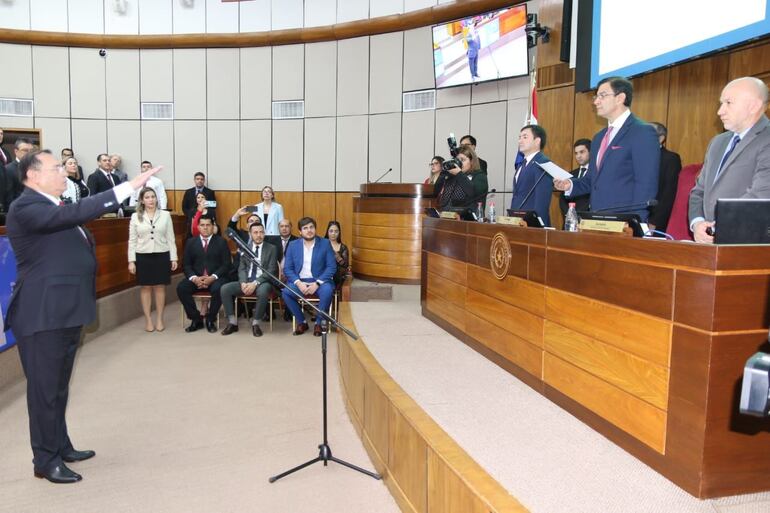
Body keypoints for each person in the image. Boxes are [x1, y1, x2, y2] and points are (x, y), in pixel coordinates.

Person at [5, 150, 159, 484]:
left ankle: (60, 445)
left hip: (64, 311)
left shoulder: (54, 208)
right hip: (42, 313)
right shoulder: (26, 207)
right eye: (56, 167)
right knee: (44, 391)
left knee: (59, 387)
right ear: (32, 175)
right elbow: (81, 211)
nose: (63, 172)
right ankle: (45, 460)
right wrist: (128, 187)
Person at [554, 76, 659, 222]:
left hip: (624, 222)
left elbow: (646, 184)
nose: (596, 101)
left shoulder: (641, 132)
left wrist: (636, 223)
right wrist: (570, 184)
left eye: (602, 96)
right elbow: (592, 179)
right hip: (597, 219)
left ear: (620, 98)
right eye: (596, 96)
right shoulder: (599, 137)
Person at [689, 77, 770, 243]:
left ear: (753, 106)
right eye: (721, 103)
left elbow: (761, 195)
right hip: (711, 244)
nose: (720, 111)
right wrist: (697, 224)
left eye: (728, 103)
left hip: (748, 244)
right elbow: (699, 191)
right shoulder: (717, 142)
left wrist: (718, 228)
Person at [128, 187, 178, 332]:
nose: (151, 200)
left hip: (161, 254)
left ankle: (160, 319)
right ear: (142, 201)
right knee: (145, 288)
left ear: (157, 198)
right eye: (147, 197)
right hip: (142, 255)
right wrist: (131, 260)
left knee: (160, 287)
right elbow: (132, 240)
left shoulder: (165, 215)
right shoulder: (135, 216)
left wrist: (173, 257)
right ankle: (148, 320)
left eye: (153, 197)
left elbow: (170, 238)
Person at [219, 222, 278, 337]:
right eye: (255, 232)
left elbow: (271, 271)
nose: (259, 235)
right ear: (250, 234)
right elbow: (242, 269)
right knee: (225, 289)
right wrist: (243, 283)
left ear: (264, 233)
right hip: (246, 281)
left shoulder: (272, 248)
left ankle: (256, 323)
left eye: (261, 232)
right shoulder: (245, 248)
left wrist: (255, 283)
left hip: (263, 281)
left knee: (263, 290)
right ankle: (232, 322)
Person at [282, 217, 337, 337]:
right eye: (305, 228)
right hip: (300, 281)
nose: (309, 230)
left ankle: (318, 323)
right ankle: (302, 322)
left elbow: (331, 267)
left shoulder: (325, 243)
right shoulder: (292, 245)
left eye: (311, 227)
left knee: (327, 290)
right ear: (300, 232)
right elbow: (287, 268)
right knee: (286, 292)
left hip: (320, 281)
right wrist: (298, 283)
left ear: (315, 229)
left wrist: (317, 283)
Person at [177, 215, 231, 333]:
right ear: (198, 227)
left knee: (219, 289)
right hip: (197, 278)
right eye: (202, 225)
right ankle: (196, 319)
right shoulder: (190, 242)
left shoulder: (221, 242)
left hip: (216, 278)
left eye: (208, 225)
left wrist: (212, 277)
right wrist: (194, 278)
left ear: (213, 227)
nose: (205, 228)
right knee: (181, 288)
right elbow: (186, 265)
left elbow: (226, 265)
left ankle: (210, 319)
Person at [510, 125, 553, 226]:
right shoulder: (521, 164)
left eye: (525, 137)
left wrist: (535, 224)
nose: (520, 141)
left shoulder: (543, 163)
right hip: (517, 222)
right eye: (519, 137)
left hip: (532, 225)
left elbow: (542, 200)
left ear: (537, 141)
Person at [647, 122, 682, 232]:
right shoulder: (634, 157)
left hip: (655, 222)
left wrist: (655, 222)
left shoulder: (671, 159)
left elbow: (669, 194)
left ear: (661, 138)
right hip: (633, 217)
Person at [437, 145, 488, 212]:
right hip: (447, 217)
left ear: (472, 161)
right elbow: (435, 192)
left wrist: (459, 174)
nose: (459, 163)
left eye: (463, 160)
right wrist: (442, 174)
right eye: (457, 160)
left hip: (469, 219)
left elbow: (473, 193)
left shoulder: (479, 176)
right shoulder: (453, 176)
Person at [559, 139, 591, 216]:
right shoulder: (570, 174)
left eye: (582, 152)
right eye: (576, 153)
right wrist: (569, 214)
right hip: (570, 220)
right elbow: (562, 199)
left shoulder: (595, 174)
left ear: (591, 152)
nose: (578, 156)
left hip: (587, 219)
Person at [2, 138, 31, 211]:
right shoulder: (8, 169)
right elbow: (9, 198)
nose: (29, 153)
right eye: (25, 150)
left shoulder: (35, 169)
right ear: (16, 151)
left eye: (31, 151)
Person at [324, 220, 350, 287]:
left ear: (339, 232)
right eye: (331, 231)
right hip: (323, 272)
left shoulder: (343, 247)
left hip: (337, 275)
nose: (333, 233)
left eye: (336, 231)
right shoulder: (322, 244)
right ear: (327, 232)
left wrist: (338, 257)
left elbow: (345, 265)